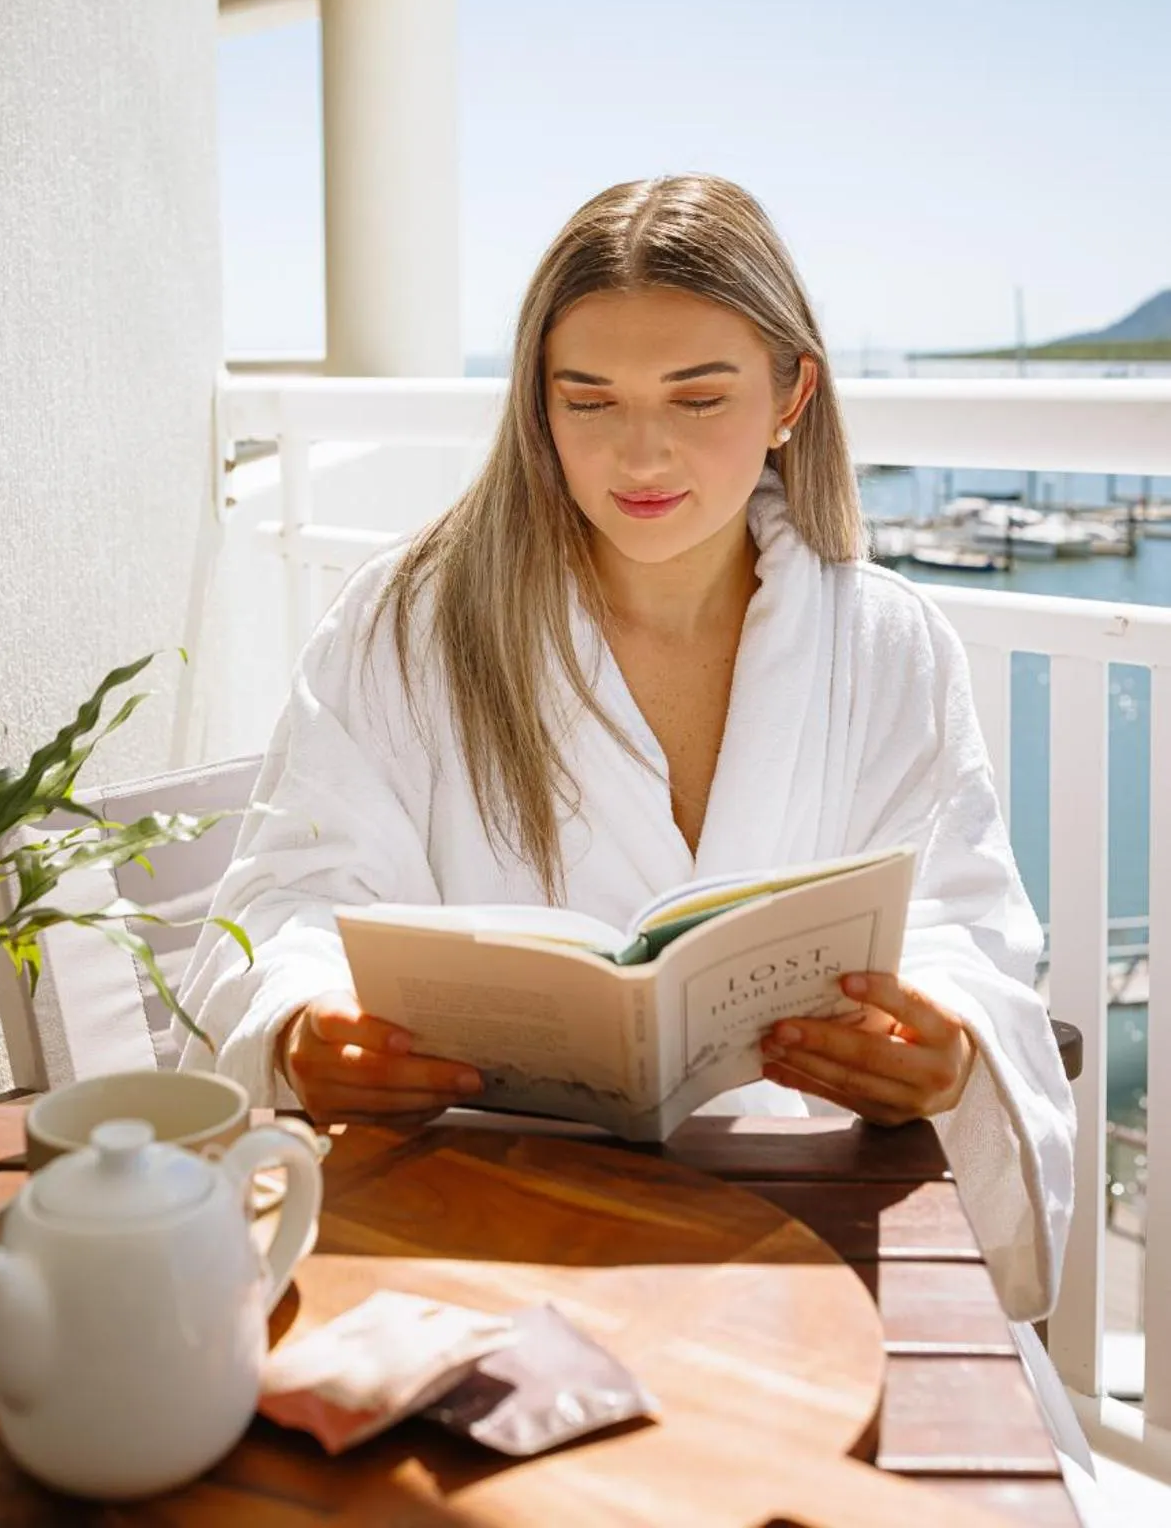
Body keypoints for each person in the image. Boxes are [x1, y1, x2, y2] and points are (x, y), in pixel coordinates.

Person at [178, 175, 1075, 1324]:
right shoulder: (408, 621)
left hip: (801, 1229)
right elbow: (292, 895)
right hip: (485, 1238)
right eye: (588, 400)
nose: (641, 455)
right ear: (536, 405)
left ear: (793, 392)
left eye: (699, 399)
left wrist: (944, 1047)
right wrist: (305, 1023)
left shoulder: (887, 642)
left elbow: (966, 928)